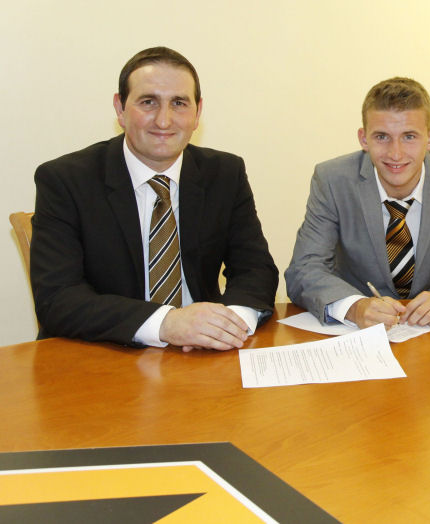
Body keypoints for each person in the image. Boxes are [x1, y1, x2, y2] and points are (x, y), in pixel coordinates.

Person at [31, 47, 279, 351]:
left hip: (200, 357)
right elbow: (58, 299)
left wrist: (227, 324)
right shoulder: (65, 180)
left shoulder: (225, 173)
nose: (164, 121)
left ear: (198, 112)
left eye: (179, 103)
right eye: (148, 102)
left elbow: (255, 270)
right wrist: (166, 323)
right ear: (120, 109)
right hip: (103, 355)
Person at [285, 77, 430, 330]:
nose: (395, 154)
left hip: (429, 333)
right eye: (382, 137)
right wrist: (353, 307)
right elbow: (304, 269)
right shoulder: (332, 180)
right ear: (364, 139)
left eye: (409, 137)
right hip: (353, 333)